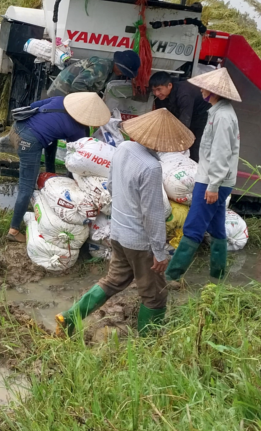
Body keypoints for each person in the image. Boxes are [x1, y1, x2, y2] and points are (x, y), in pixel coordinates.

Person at [57, 109, 195, 336]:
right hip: (139, 241)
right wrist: (159, 252)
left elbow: (110, 186)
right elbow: (152, 214)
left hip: (119, 233)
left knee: (113, 280)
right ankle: (149, 344)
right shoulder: (151, 167)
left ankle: (69, 318)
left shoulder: (122, 149)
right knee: (154, 295)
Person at [165, 67, 242, 283]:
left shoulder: (223, 117)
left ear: (214, 91)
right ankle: (217, 277)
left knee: (193, 227)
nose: (200, 90)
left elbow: (220, 153)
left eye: (204, 88)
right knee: (217, 228)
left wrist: (213, 186)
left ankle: (171, 277)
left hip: (211, 181)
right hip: (214, 179)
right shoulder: (218, 112)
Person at [6, 91, 111, 243]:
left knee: (51, 138)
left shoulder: (60, 100)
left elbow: (35, 107)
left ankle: (49, 177)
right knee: (26, 186)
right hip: (29, 141)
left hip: (17, 127)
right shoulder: (78, 128)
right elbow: (77, 158)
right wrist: (73, 178)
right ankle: (13, 230)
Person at [149, 70, 211, 161]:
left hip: (200, 114)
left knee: (194, 143)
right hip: (182, 111)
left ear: (169, 85)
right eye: (154, 90)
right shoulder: (160, 97)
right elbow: (162, 115)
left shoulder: (184, 94)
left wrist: (177, 142)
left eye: (159, 89)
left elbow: (185, 122)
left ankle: (194, 166)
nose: (156, 93)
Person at [46, 49, 141, 97]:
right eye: (122, 71)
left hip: (68, 95)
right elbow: (78, 85)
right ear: (117, 65)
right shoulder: (101, 67)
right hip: (61, 94)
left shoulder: (109, 69)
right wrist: (92, 101)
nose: (121, 74)